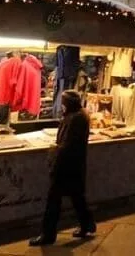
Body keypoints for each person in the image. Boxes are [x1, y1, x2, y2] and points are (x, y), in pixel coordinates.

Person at [30, 90, 96, 246]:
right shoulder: (78, 115)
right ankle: (87, 224)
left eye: (64, 102)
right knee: (77, 196)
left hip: (66, 165)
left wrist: (54, 152)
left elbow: (68, 145)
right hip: (74, 165)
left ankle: (48, 234)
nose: (62, 106)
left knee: (54, 200)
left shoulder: (76, 118)